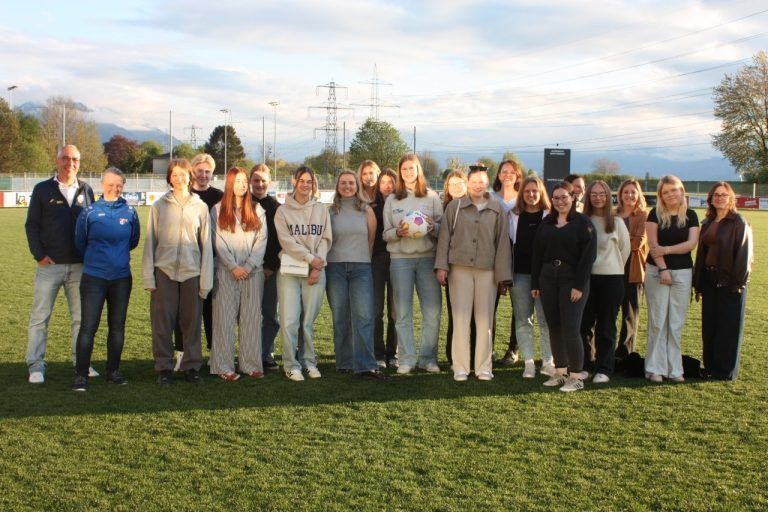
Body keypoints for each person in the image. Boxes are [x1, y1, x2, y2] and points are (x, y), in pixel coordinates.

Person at [25, 144, 95, 384]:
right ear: (57, 161)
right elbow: (31, 225)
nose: (70, 163)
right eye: (65, 158)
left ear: (79, 162)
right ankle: (36, 365)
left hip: (79, 267)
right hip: (49, 266)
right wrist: (39, 255)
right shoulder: (42, 189)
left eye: (75, 159)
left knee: (81, 319)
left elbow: (91, 226)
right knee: (40, 317)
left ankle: (81, 363)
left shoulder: (86, 190)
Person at [142, 158, 214, 386]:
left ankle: (191, 366)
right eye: (175, 175)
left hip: (192, 272)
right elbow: (150, 242)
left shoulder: (200, 207)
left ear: (189, 177)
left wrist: (206, 280)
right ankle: (164, 367)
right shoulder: (159, 206)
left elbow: (206, 246)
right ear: (169, 178)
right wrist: (149, 277)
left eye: (183, 174)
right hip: (164, 271)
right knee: (162, 322)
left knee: (191, 322)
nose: (179, 178)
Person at [436, 168, 512, 381]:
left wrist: (503, 276)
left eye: (482, 182)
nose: (478, 185)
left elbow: (503, 244)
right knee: (460, 318)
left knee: (484, 319)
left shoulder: (497, 208)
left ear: (487, 183)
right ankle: (460, 367)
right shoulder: (455, 206)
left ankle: (483, 367)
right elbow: (444, 238)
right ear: (467, 183)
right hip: (459, 270)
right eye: (474, 181)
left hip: (487, 272)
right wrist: (442, 266)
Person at [71, 168, 140, 391]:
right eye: (110, 184)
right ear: (102, 184)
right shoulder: (89, 212)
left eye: (119, 184)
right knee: (88, 327)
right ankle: (81, 374)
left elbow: (133, 240)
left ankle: (113, 371)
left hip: (121, 278)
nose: (114, 188)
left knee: (117, 327)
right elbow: (80, 242)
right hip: (94, 278)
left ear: (123, 186)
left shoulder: (130, 212)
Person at [531, 181, 596, 392]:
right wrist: (535, 283)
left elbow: (588, 257)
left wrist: (578, 285)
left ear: (573, 197)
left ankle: (576, 376)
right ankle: (560, 372)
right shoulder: (546, 223)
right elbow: (537, 255)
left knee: (570, 327)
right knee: (555, 327)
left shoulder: (583, 222)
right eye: (556, 198)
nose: (560, 201)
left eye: (564, 197)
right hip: (548, 277)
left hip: (572, 279)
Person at [326, 171, 389, 380]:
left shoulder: (366, 210)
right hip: (335, 268)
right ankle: (344, 362)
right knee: (340, 316)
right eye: (343, 183)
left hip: (361, 268)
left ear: (357, 186)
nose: (347, 186)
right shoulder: (330, 211)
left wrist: (363, 259)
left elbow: (371, 240)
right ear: (338, 186)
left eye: (351, 183)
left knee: (363, 316)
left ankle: (366, 364)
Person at [383, 154, 443, 374]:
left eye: (412, 168)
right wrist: (397, 232)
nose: (408, 172)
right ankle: (406, 358)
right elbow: (386, 234)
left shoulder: (432, 197)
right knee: (402, 312)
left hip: (428, 259)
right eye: (404, 169)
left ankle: (428, 358)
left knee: (433, 311)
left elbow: (442, 230)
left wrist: (432, 227)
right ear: (400, 172)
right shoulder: (392, 200)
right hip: (400, 261)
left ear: (419, 170)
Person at [274, 166, 332, 381]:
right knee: (289, 321)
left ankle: (309, 362)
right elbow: (287, 242)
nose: (306, 185)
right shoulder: (283, 211)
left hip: (316, 271)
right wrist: (310, 259)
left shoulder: (321, 209)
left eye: (310, 181)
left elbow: (326, 238)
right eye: (302, 181)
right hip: (290, 272)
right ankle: (290, 364)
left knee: (307, 322)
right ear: (294, 182)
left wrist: (317, 266)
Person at [210, 167, 267, 381]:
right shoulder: (217, 210)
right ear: (230, 183)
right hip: (226, 273)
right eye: (238, 181)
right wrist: (233, 266)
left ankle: (250, 364)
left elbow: (261, 240)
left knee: (251, 319)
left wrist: (250, 265)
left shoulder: (257, 209)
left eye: (245, 181)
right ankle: (223, 366)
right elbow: (218, 242)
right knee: (224, 319)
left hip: (253, 273)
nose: (242, 185)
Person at [693, 182, 752, 380]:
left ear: (730, 198)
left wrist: (737, 284)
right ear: (710, 198)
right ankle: (710, 367)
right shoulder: (708, 222)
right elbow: (702, 254)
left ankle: (724, 371)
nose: (719, 198)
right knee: (710, 326)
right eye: (716, 195)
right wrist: (699, 283)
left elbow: (744, 257)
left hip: (730, 282)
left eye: (724, 195)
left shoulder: (739, 222)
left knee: (729, 328)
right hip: (709, 280)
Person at [644, 175, 699, 383]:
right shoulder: (654, 214)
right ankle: (654, 368)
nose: (670, 195)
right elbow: (652, 245)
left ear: (681, 191)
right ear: (661, 195)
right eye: (665, 192)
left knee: (675, 323)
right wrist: (664, 268)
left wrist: (666, 250)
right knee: (658, 322)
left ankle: (675, 369)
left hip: (684, 272)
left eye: (674, 190)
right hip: (657, 271)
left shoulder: (691, 215)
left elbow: (691, 244)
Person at [172, 153, 223, 368]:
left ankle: (214, 352)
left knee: (213, 310)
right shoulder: (183, 194)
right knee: (183, 311)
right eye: (199, 171)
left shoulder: (220, 196)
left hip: (213, 262)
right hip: (187, 262)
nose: (203, 175)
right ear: (192, 172)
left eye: (207, 171)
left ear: (212, 173)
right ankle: (182, 352)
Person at [580, 180, 630, 384]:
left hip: (612, 280)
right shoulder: (582, 221)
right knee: (584, 325)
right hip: (587, 279)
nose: (598, 197)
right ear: (588, 197)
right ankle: (586, 365)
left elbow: (624, 251)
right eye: (594, 194)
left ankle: (604, 368)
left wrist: (610, 267)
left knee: (607, 326)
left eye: (602, 194)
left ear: (609, 196)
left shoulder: (616, 222)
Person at [509, 176, 554, 378]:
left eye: (535, 190)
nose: (531, 194)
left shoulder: (550, 215)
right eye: (527, 191)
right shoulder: (513, 215)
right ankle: (528, 362)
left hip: (545, 277)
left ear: (541, 192)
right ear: (522, 194)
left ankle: (547, 361)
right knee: (522, 320)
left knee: (546, 320)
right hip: (520, 275)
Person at [491, 159, 523, 366]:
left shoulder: (524, 199)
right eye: (504, 171)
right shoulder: (490, 198)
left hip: (518, 257)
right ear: (499, 175)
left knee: (519, 307)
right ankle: (488, 348)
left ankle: (513, 349)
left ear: (518, 176)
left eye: (512, 172)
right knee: (488, 306)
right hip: (492, 256)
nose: (508, 175)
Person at [250, 163, 281, 370]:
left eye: (263, 181)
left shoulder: (277, 208)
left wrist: (270, 267)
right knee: (249, 315)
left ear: (269, 182)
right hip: (248, 270)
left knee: (270, 314)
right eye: (256, 180)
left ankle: (265, 353)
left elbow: (280, 241)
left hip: (271, 271)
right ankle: (249, 353)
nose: (260, 184)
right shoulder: (242, 205)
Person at [615, 179, 649, 361]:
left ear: (638, 195)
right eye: (625, 191)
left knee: (629, 314)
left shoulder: (644, 215)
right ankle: (604, 353)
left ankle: (624, 354)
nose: (629, 195)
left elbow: (638, 242)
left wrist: (617, 240)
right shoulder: (613, 214)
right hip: (612, 268)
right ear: (620, 194)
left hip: (633, 269)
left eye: (633, 192)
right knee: (608, 313)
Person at [440, 170, 470, 365]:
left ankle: (474, 354)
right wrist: (442, 267)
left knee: (474, 315)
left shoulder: (476, 206)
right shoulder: (445, 208)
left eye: (460, 183)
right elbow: (442, 242)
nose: (456, 187)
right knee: (455, 314)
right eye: (452, 184)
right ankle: (453, 356)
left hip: (474, 269)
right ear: (447, 188)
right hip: (452, 269)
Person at [371, 168, 399, 368]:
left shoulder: (401, 204)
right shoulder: (372, 206)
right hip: (377, 260)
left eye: (391, 182)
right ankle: (378, 353)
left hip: (398, 259)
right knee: (376, 309)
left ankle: (393, 352)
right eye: (383, 182)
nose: (387, 186)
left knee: (396, 311)